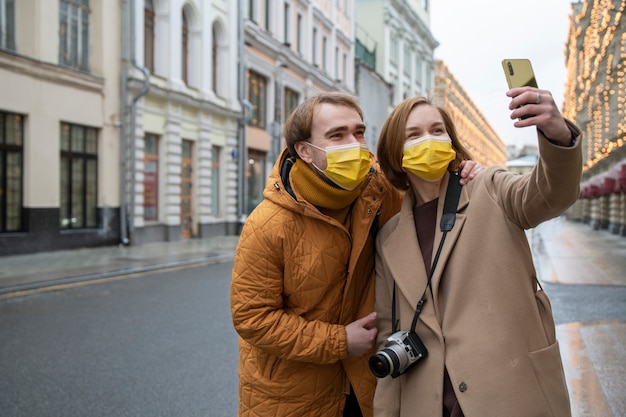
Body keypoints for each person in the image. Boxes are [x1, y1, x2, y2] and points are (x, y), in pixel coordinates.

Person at [230, 92, 482, 417]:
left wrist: (464, 174)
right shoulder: (267, 224)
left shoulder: (380, 193)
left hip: (366, 387)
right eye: (337, 135)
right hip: (291, 397)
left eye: (359, 132)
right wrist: (339, 341)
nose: (355, 144)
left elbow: (430, 196)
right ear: (304, 151)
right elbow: (252, 318)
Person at [372, 87, 581, 417]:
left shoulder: (491, 187)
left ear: (451, 142)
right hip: (426, 404)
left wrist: (557, 136)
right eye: (414, 134)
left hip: (509, 394)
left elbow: (549, 194)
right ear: (396, 154)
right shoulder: (389, 237)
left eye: (437, 130)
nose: (429, 140)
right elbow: (389, 333)